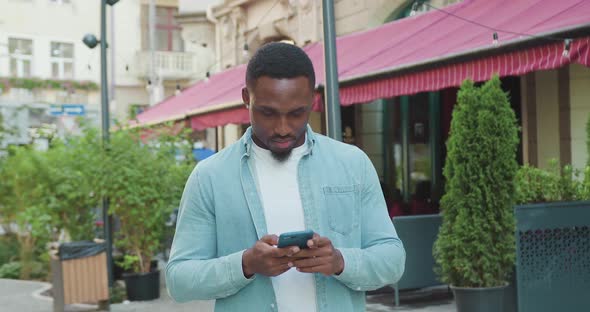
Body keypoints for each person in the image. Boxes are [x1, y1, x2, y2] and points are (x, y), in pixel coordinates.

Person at [166, 42, 405, 312]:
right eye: (267, 113)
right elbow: (179, 280)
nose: (282, 128)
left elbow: (393, 261)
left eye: (296, 113)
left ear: (312, 100)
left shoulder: (352, 164)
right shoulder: (210, 177)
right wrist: (245, 264)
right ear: (247, 98)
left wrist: (340, 262)